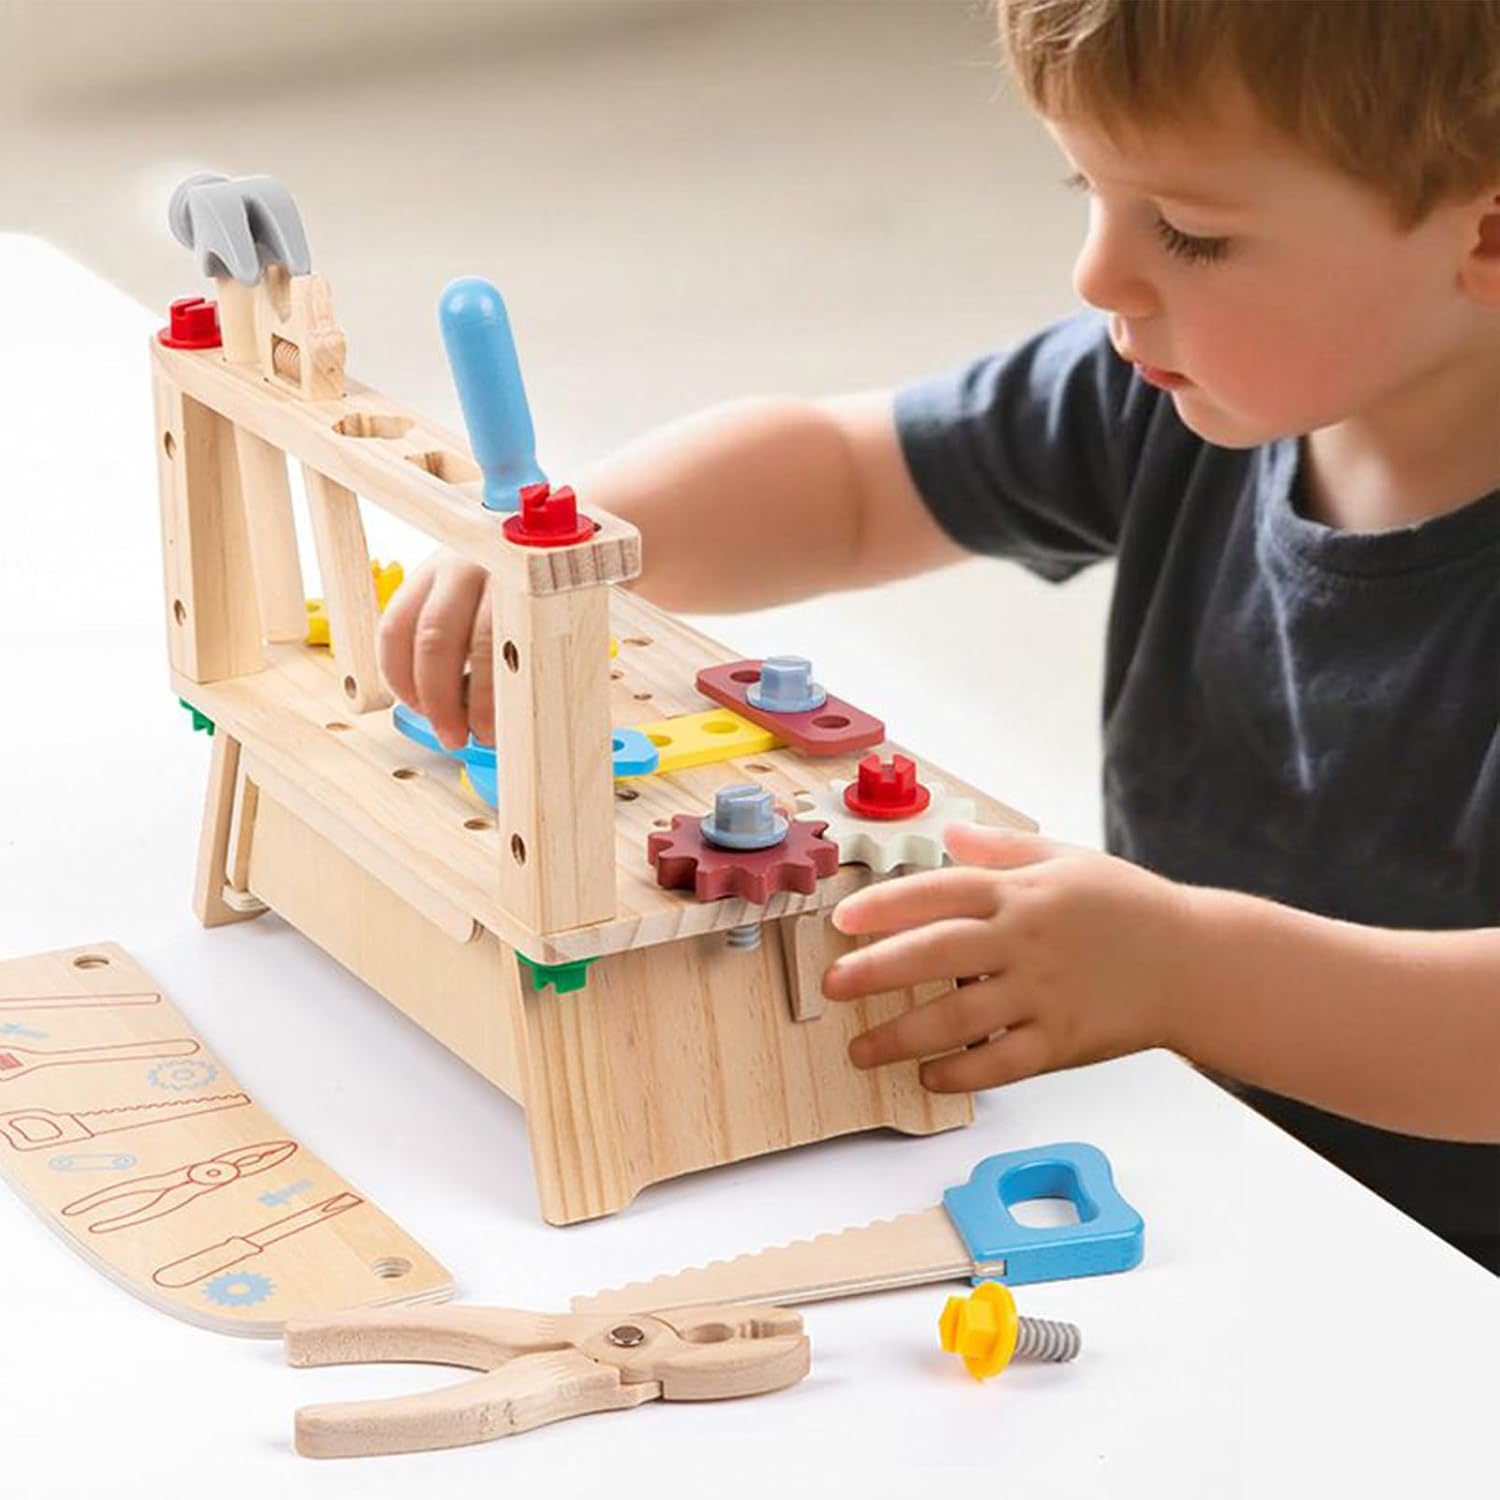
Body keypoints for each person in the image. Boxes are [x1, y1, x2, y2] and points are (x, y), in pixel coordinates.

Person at [380, 0, 1500, 1271]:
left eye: (1191, 232)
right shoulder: (1177, 392)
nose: (1098, 277)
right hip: (1217, 1146)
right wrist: (595, 536)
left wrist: (1186, 975)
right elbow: (855, 479)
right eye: (1088, 190)